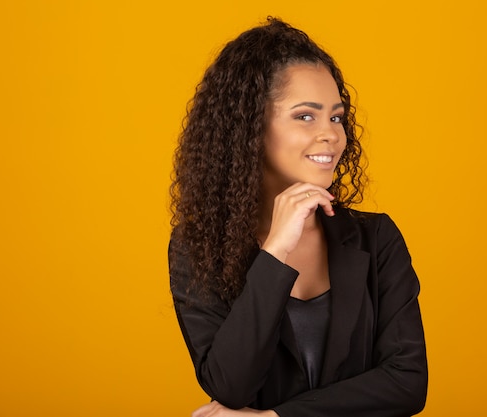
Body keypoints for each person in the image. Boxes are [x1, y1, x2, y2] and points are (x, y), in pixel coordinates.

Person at [169, 17, 427, 417]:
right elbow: (230, 386)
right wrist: (274, 252)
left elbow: (407, 382)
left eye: (337, 117)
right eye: (305, 115)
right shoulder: (197, 248)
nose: (331, 134)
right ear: (251, 128)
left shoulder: (376, 239)